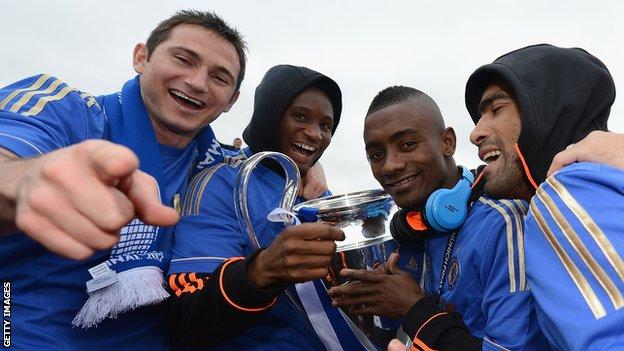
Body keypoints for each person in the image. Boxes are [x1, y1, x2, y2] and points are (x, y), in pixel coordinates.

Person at [0, 10, 246, 350]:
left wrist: (308, 169)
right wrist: (24, 180)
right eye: (184, 59)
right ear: (141, 58)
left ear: (231, 100)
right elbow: (10, 154)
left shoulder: (223, 168)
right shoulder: (67, 110)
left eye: (220, 78)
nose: (198, 82)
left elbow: (275, 173)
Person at [168, 64, 377, 350]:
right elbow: (189, 318)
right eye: (300, 117)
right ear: (270, 113)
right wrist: (261, 272)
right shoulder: (222, 184)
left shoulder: (320, 195)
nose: (315, 134)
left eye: (325, 126)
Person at [328, 86, 549, 350]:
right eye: (377, 155)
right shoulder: (407, 231)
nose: (390, 165)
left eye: (407, 145)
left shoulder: (504, 221)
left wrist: (414, 308)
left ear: (447, 142)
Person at [464, 43, 623, 350]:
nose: (476, 133)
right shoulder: (601, 184)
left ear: (549, 111)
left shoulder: (564, 192)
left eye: (496, 109)